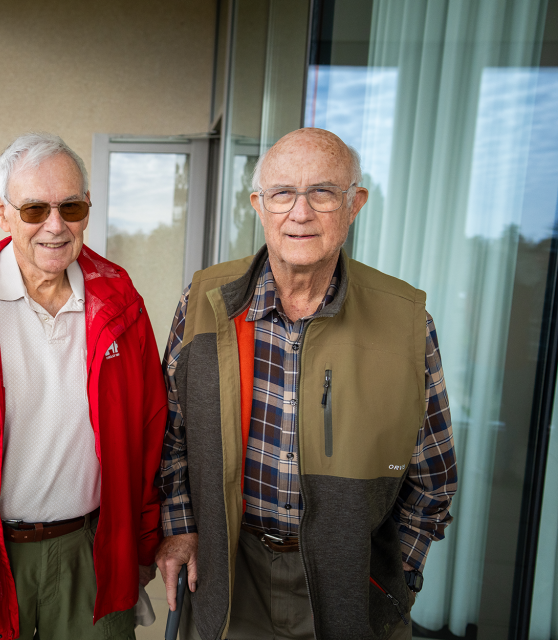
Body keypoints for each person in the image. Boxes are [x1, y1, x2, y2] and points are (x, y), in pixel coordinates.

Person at [154, 128, 458, 640]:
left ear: (354, 203)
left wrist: (395, 576)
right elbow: (171, 436)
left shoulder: (404, 320)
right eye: (282, 194)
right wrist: (181, 527)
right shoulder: (205, 301)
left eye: (322, 192)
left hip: (350, 584)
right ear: (258, 204)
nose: (300, 213)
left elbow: (434, 478)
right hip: (230, 571)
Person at [0, 132, 166, 640]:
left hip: (93, 551)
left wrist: (143, 545)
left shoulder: (121, 302)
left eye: (72, 206)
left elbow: (148, 436)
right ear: (1, 212)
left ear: (88, 208)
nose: (56, 226)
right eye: (35, 209)